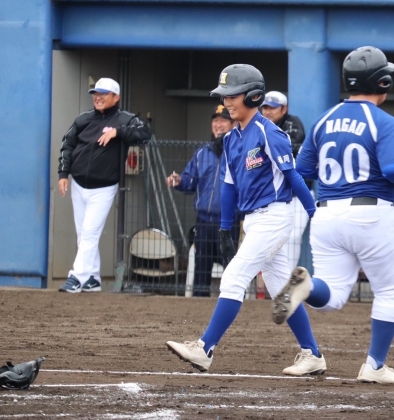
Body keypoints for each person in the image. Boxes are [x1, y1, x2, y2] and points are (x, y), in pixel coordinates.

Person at [271, 46, 394, 384]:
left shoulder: (325, 119)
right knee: (391, 290)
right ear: (381, 82)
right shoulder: (384, 121)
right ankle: (375, 366)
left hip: (326, 213)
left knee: (332, 295)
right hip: (370, 213)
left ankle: (307, 287)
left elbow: (303, 169)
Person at [166, 64, 325, 376]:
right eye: (224, 96)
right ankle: (313, 355)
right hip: (253, 220)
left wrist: (314, 215)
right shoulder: (230, 139)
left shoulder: (270, 132)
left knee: (234, 277)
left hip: (275, 216)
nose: (227, 102)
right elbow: (228, 186)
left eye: (232, 95)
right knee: (282, 290)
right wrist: (226, 228)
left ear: (253, 96)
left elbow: (293, 177)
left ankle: (204, 348)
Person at [57, 78, 150, 293]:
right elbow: (67, 145)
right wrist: (63, 174)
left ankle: (77, 277)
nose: (97, 97)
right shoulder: (83, 119)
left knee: (89, 232)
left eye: (103, 94)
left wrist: (118, 132)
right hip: (78, 184)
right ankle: (92, 277)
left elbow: (145, 134)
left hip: (104, 187)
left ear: (116, 97)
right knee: (83, 234)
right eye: (95, 94)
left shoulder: (125, 119)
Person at [166, 106, 234, 297]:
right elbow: (190, 181)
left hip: (230, 222)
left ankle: (233, 305)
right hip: (204, 221)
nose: (218, 125)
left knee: (232, 269)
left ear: (233, 124)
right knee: (201, 270)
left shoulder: (240, 151)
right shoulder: (202, 152)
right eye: (215, 120)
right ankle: (198, 308)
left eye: (223, 120)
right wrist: (179, 181)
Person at [261, 91, 312, 271]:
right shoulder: (259, 126)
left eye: (273, 108)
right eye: (265, 107)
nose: (268, 112)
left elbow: (288, 147)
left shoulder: (292, 123)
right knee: (271, 238)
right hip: (273, 194)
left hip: (298, 193)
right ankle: (275, 279)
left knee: (293, 237)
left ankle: (287, 278)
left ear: (284, 109)